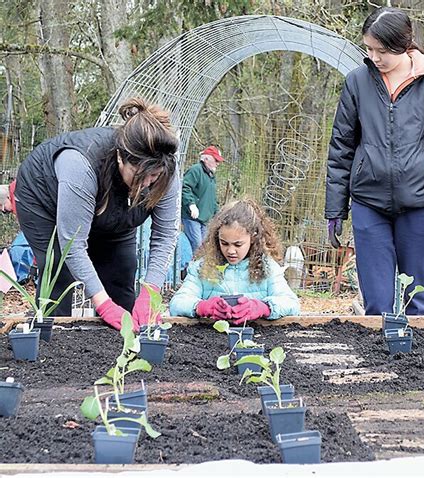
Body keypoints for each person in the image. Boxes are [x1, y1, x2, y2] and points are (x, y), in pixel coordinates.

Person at [325, 7, 424, 316]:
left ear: (404, 45)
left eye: (382, 50)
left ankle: (419, 364)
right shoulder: (357, 82)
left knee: (418, 303)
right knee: (376, 304)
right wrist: (335, 208)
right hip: (369, 202)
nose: (374, 57)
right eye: (369, 48)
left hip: (421, 204)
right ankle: (376, 364)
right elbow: (341, 149)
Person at [14, 97, 180, 330]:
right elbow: (73, 244)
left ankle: (124, 345)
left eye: (155, 176)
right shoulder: (81, 165)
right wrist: (103, 305)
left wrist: (150, 292)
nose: (148, 184)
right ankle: (51, 345)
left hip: (111, 211)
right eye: (141, 175)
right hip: (43, 200)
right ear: (121, 157)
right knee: (61, 277)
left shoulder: (165, 170)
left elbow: (165, 236)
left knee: (122, 269)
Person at [169, 198, 300, 323]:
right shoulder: (202, 267)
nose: (231, 251)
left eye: (238, 245)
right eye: (224, 243)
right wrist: (201, 307)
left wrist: (263, 307)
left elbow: (291, 303)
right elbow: (177, 304)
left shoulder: (268, 268)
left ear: (253, 238)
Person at [181, 145, 224, 253]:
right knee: (197, 246)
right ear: (206, 159)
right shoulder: (195, 170)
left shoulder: (211, 176)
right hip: (192, 217)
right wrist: (191, 204)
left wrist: (218, 215)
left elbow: (212, 199)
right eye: (216, 160)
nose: (217, 164)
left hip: (205, 219)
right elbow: (184, 187)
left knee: (204, 247)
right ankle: (188, 269)